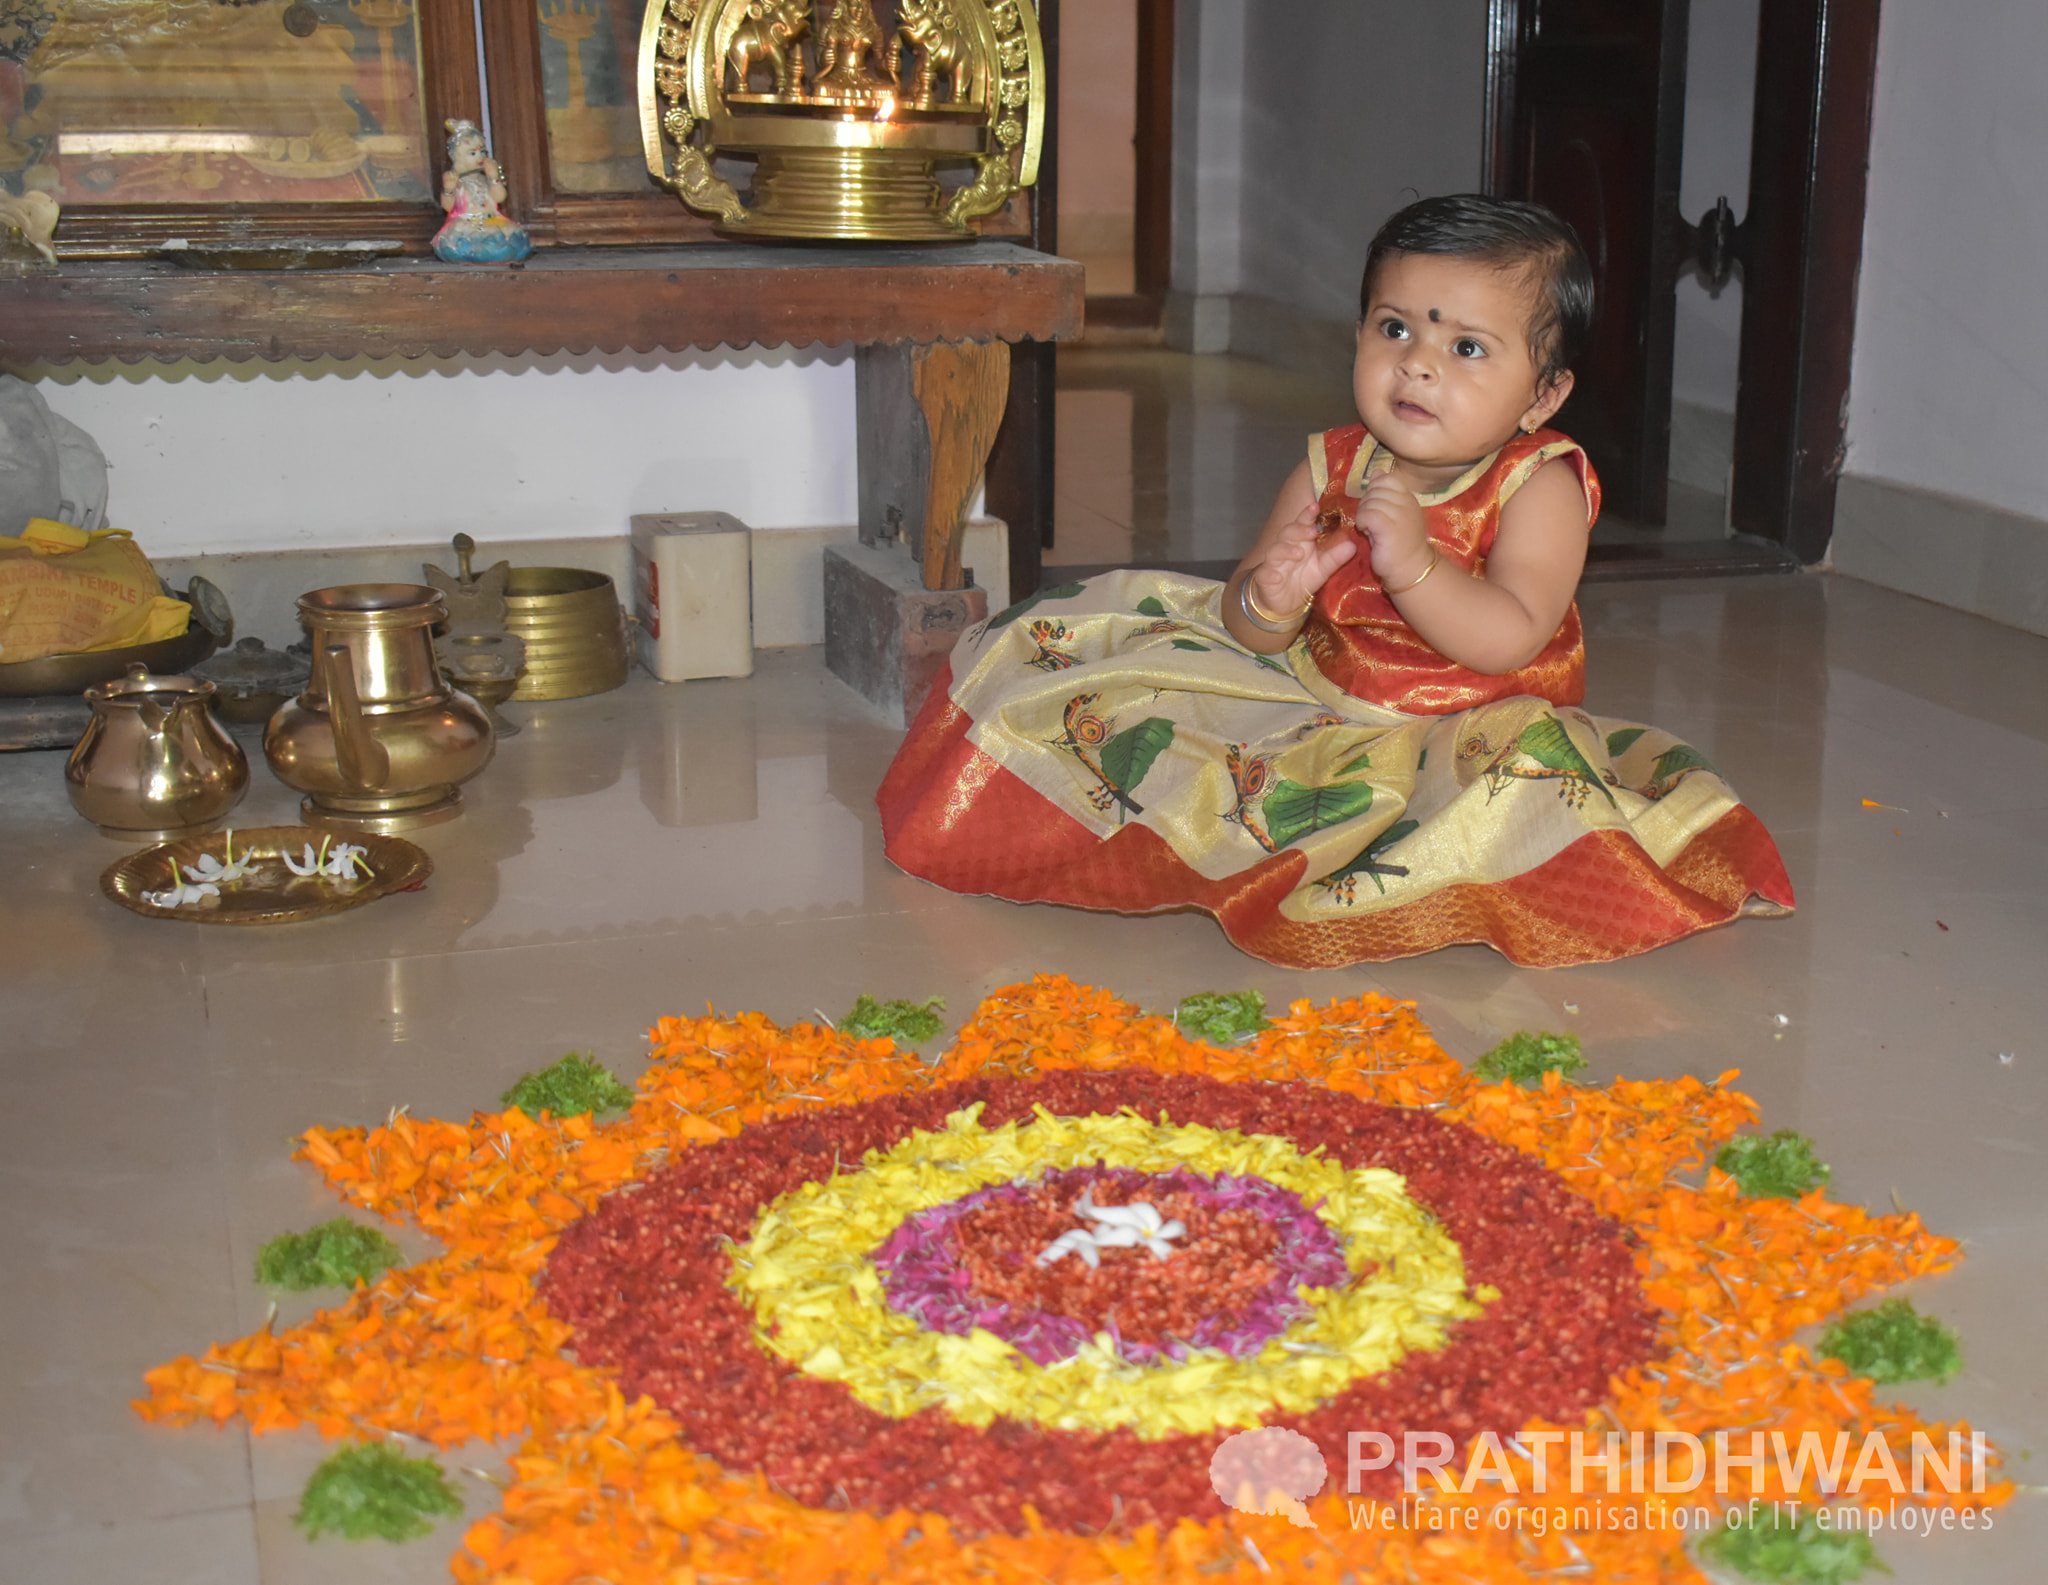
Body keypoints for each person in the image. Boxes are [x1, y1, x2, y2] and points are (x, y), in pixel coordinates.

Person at [877, 195, 1794, 967]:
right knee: (1085, 659)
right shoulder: (1331, 466)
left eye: (1468, 348)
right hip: (1314, 689)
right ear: (1358, 335)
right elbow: (1247, 620)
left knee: (1522, 785)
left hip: (1468, 721)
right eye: (1395, 329)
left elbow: (1513, 634)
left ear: (1543, 395)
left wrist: (1417, 567)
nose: (1418, 362)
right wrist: (1269, 598)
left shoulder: (1539, 485)